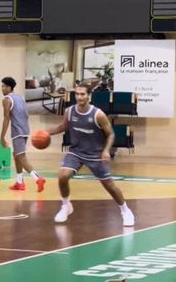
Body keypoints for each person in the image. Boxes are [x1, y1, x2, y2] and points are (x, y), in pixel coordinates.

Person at [46, 83, 135, 226]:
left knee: (110, 186)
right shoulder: (69, 111)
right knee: (62, 175)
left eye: (83, 94)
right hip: (76, 152)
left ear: (89, 96)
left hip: (95, 154)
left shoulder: (98, 114)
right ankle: (65, 206)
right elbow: (62, 127)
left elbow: (111, 134)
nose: (79, 97)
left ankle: (125, 210)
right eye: (77, 94)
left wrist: (106, 150)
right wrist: (46, 132)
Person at [0, 77, 45, 192]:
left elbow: (6, 118)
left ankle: (37, 178)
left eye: (3, 86)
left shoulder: (6, 99)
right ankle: (19, 183)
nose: (2, 88)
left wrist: (2, 137)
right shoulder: (20, 97)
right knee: (16, 155)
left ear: (9, 87)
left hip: (18, 131)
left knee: (21, 157)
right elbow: (27, 114)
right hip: (25, 129)